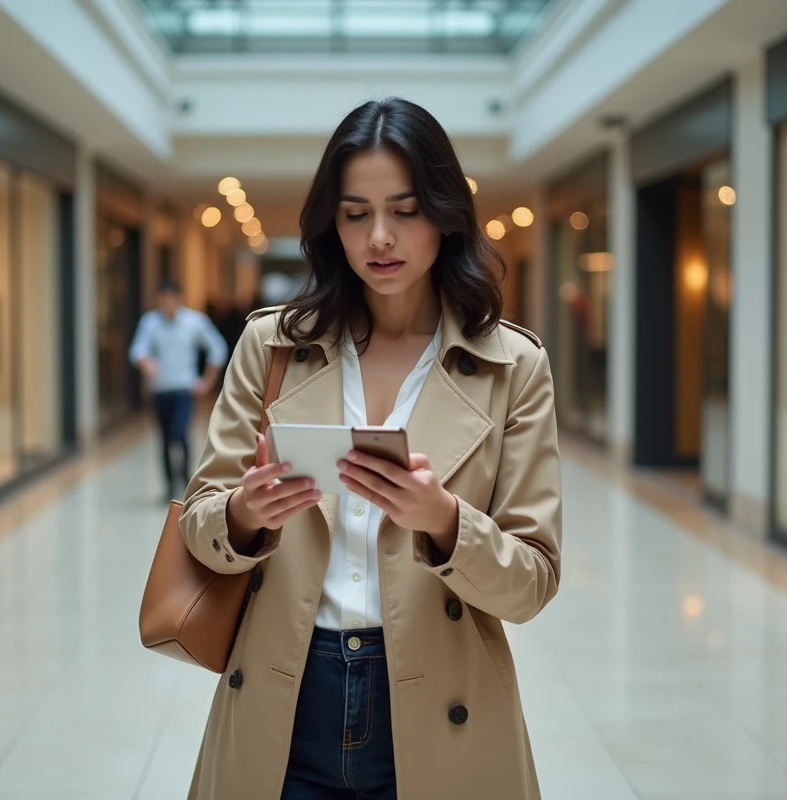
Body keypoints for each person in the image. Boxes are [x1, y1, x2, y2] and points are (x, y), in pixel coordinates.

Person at [178, 97, 563, 799]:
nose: (379, 237)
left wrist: (445, 522)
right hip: (284, 691)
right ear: (333, 222)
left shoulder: (513, 366)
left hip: (440, 694)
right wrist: (244, 511)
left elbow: (532, 581)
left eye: (405, 210)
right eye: (356, 213)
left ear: (445, 214)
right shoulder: (272, 347)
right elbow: (199, 523)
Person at [129, 279, 229, 501]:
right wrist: (146, 362)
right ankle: (168, 488)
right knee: (165, 439)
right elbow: (137, 349)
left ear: (179, 299)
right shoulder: (150, 322)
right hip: (160, 390)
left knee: (179, 434)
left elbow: (218, 349)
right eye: (162, 299)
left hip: (184, 390)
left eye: (171, 299)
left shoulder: (195, 321)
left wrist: (207, 381)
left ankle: (185, 483)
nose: (167, 304)